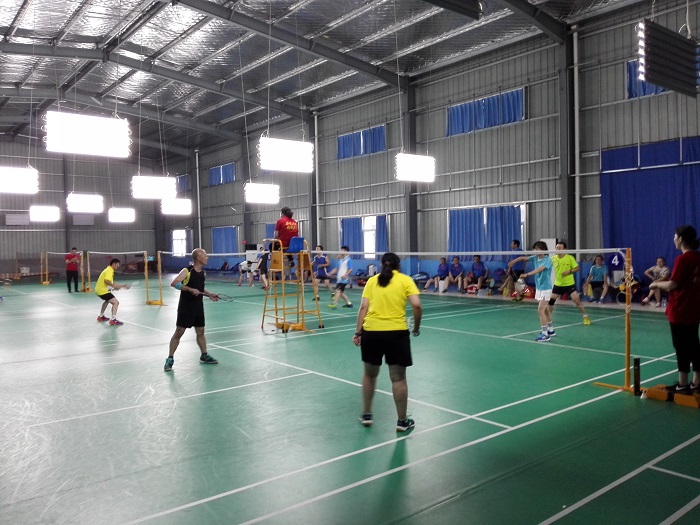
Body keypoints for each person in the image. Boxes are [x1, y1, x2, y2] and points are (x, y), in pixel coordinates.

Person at [352, 252, 422, 432]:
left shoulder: (372, 281)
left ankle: (367, 415)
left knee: (369, 375)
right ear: (399, 266)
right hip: (396, 335)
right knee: (398, 378)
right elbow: (416, 305)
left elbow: (363, 307)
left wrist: (358, 332)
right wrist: (416, 328)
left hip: (371, 333)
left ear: (382, 264)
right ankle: (402, 421)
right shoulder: (405, 280)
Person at [649, 225, 700, 393]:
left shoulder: (683, 259)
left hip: (680, 309)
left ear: (681, 239)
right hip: (694, 309)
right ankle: (697, 382)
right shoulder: (698, 257)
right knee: (694, 344)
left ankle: (682, 384)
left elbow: (673, 284)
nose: (673, 239)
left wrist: (656, 284)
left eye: (675, 236)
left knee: (681, 347)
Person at [164, 248, 220, 372]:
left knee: (200, 331)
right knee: (179, 332)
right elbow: (174, 283)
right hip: (186, 307)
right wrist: (189, 289)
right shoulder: (187, 271)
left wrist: (210, 295)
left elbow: (200, 288)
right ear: (198, 258)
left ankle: (204, 355)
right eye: (205, 255)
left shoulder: (203, 273)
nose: (207, 257)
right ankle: (170, 358)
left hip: (198, 306)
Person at [509, 241, 555, 342]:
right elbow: (522, 258)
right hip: (539, 288)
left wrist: (527, 274)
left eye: (537, 249)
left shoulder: (547, 260)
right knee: (545, 310)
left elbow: (539, 269)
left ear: (543, 249)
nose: (535, 251)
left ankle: (545, 334)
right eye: (535, 249)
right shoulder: (535, 258)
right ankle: (551, 329)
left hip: (546, 288)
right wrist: (513, 261)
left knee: (540, 310)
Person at [549, 242, 591, 325]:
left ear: (564, 249)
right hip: (558, 284)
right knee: (551, 302)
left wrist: (569, 271)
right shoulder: (553, 258)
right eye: (556, 248)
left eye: (560, 248)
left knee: (577, 301)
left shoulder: (570, 258)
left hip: (569, 284)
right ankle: (548, 319)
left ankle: (585, 316)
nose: (557, 249)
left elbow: (577, 268)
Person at [95, 258, 130, 326]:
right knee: (116, 303)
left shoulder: (108, 269)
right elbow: (106, 281)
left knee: (107, 301)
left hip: (99, 290)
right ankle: (113, 320)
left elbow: (111, 283)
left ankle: (101, 316)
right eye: (117, 264)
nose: (118, 266)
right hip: (102, 291)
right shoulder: (109, 270)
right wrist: (115, 286)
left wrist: (122, 286)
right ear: (113, 264)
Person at [274, 206, 299, 278]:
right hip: (294, 245)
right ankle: (290, 260)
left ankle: (275, 263)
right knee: (287, 249)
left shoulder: (280, 221)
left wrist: (274, 239)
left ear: (282, 213)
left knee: (272, 246)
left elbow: (276, 235)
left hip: (283, 244)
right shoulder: (294, 222)